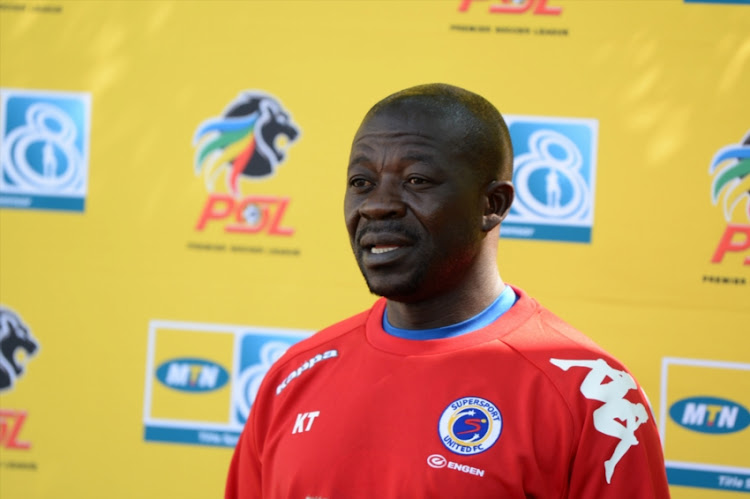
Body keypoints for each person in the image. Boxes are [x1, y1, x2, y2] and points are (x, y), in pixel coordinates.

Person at [225, 83, 670, 498]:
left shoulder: (594, 396)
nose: (377, 204)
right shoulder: (294, 376)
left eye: (417, 180)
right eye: (361, 183)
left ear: (492, 205)